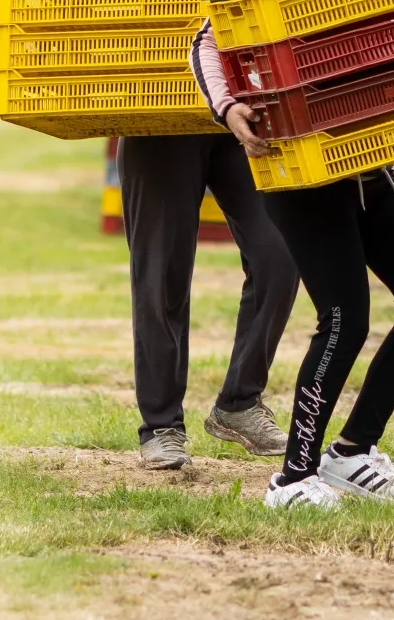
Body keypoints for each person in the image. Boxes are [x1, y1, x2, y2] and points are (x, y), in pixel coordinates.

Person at [192, 24, 394, 509]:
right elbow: (205, 41)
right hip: (301, 173)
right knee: (343, 322)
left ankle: (352, 453)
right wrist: (228, 108)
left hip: (368, 166)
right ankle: (293, 478)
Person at [117, 133, 300, 470]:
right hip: (159, 122)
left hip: (237, 122)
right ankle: (161, 425)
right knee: (160, 277)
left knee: (281, 257)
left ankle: (239, 402)